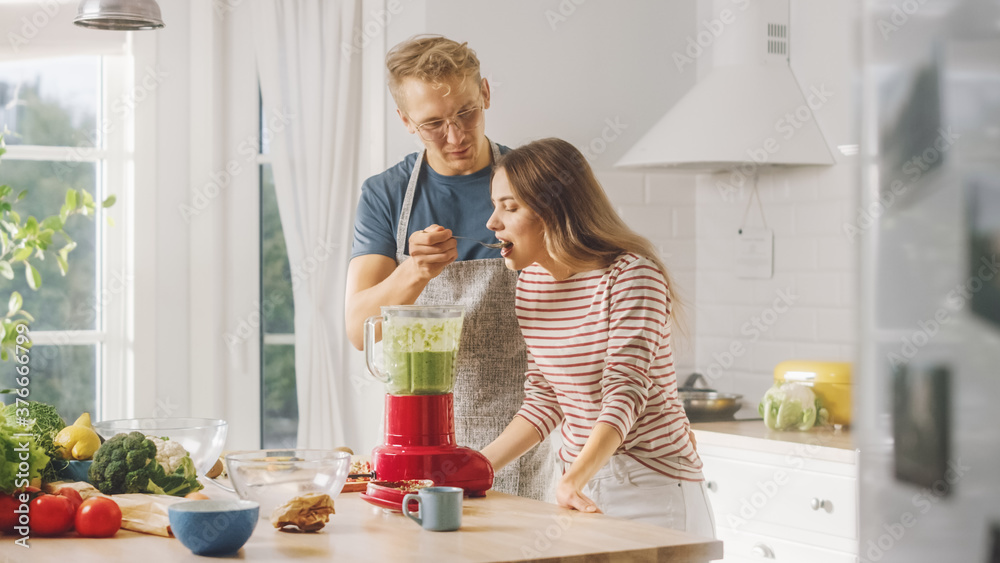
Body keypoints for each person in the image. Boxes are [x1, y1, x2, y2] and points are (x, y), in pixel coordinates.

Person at [345, 35, 551, 501]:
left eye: (466, 113)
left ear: (486, 94)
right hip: (418, 441)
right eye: (433, 123)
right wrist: (413, 271)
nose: (455, 136)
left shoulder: (533, 182)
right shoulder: (386, 194)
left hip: (525, 432)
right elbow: (360, 330)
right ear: (406, 121)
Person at [480, 138, 715, 537]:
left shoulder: (632, 276)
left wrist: (574, 478)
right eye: (495, 205)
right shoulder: (531, 283)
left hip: (652, 488)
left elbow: (625, 391)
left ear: (552, 210)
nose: (492, 222)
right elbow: (545, 396)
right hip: (581, 486)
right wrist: (474, 468)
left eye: (510, 207)